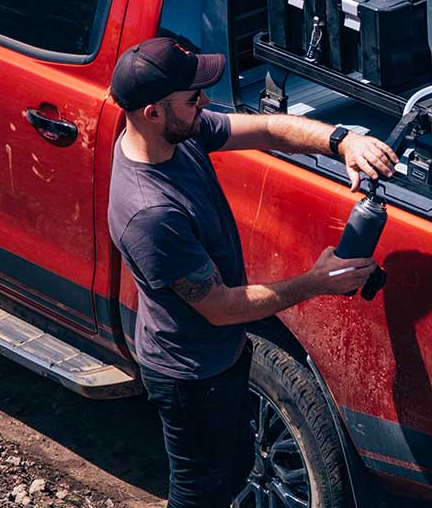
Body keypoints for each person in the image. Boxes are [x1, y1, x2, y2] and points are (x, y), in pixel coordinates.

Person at [106, 37, 397, 508]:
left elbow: (266, 129)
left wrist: (342, 141)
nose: (204, 102)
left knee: (237, 466)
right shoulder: (150, 213)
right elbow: (220, 307)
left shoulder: (180, 133)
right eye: (192, 97)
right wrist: (317, 282)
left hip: (224, 357)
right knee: (200, 495)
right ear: (152, 112)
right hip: (190, 379)